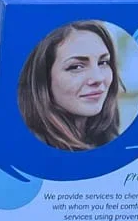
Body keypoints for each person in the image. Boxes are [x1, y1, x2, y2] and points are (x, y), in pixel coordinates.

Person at [18, 20, 124, 151]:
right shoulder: (25, 149)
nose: (98, 78)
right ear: (43, 78)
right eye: (76, 67)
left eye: (103, 62)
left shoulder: (111, 141)